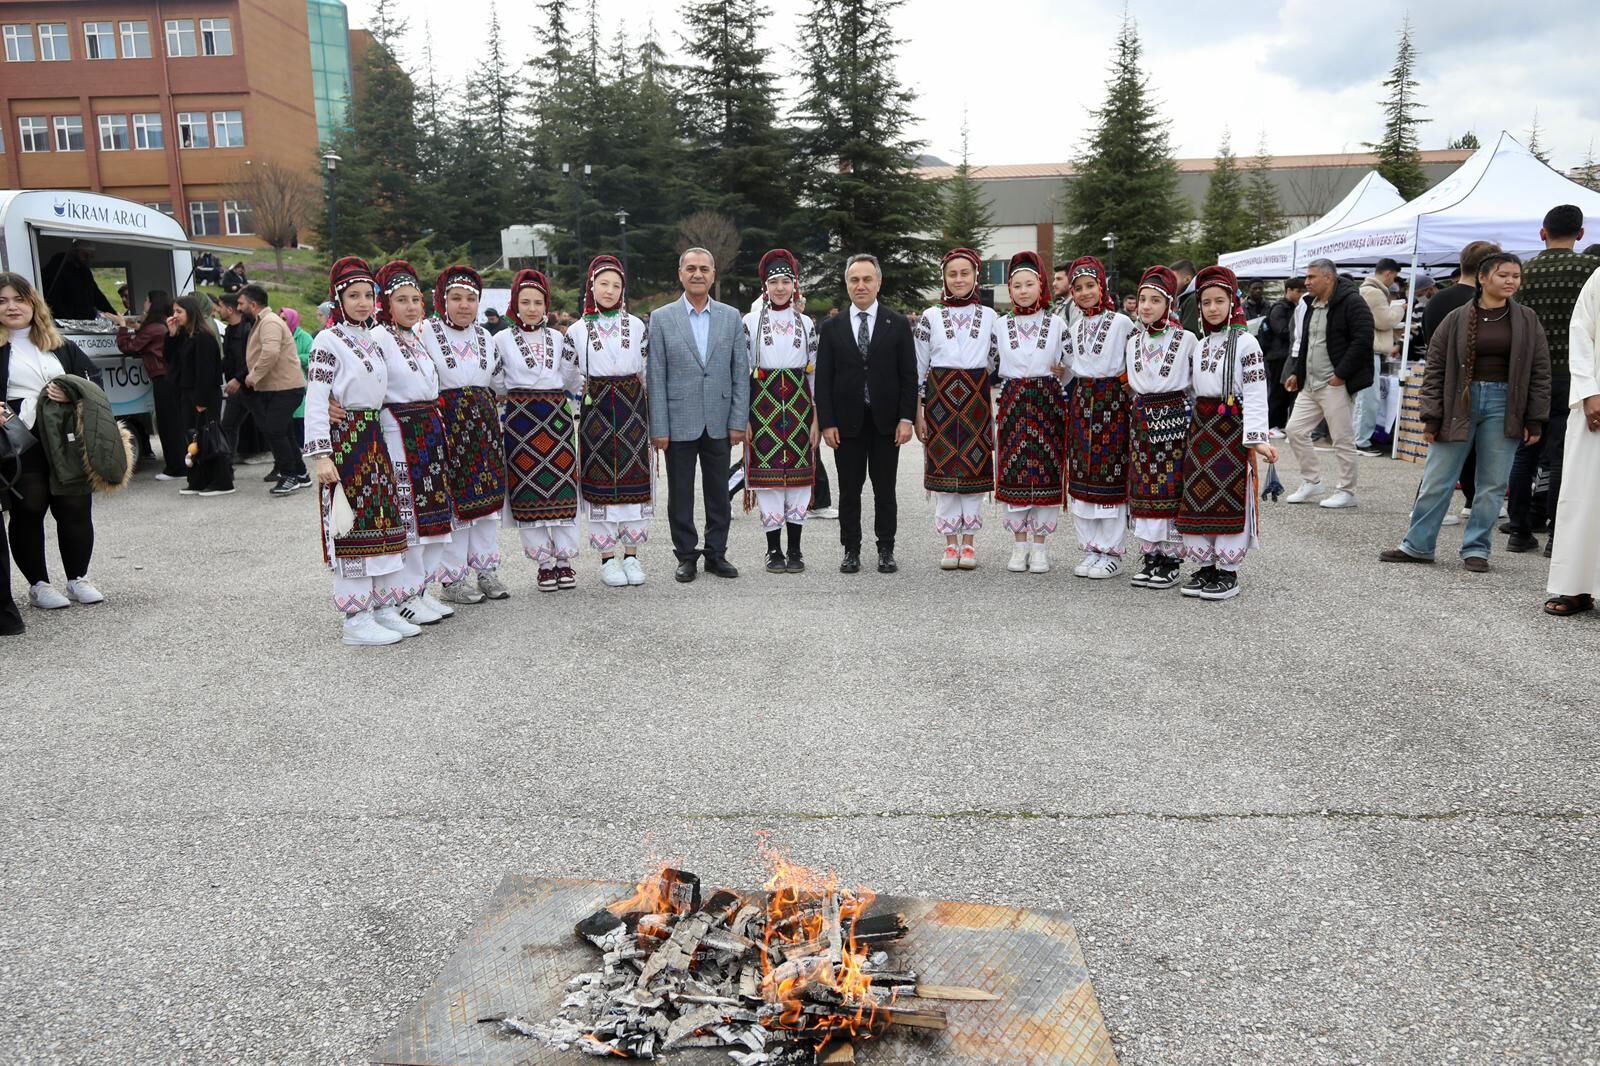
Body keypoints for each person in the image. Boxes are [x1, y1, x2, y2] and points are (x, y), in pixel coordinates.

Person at [1379, 252, 1551, 573]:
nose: (1511, 281)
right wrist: (1431, 415)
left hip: (1505, 403)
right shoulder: (1457, 318)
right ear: (1483, 278)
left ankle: (1477, 548)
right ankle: (1417, 544)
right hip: (1460, 401)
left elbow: (1540, 372)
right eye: (1503, 275)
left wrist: (1534, 418)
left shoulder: (1527, 319)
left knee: (1493, 483)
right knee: (1438, 478)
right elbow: (1435, 370)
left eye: (1516, 275)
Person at [302, 257, 415, 646]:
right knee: (350, 523)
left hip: (372, 433)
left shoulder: (377, 337)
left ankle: (383, 605)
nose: (363, 302)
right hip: (345, 438)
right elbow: (317, 397)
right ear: (338, 299)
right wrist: (320, 454)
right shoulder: (326, 341)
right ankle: (356, 617)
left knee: (383, 519)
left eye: (369, 295)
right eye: (354, 295)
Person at [1, 271, 110, 610]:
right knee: (29, 508)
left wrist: (71, 390)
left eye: (19, 299)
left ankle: (78, 578)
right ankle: (39, 585)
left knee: (75, 505)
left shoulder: (59, 344)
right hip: (20, 439)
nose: (12, 306)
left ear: (33, 303)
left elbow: (94, 380)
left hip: (65, 437)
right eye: (2, 301)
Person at [646, 247, 750, 584]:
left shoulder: (731, 317)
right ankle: (686, 555)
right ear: (680, 274)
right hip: (678, 422)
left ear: (713, 274)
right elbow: (656, 376)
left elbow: (740, 373)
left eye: (704, 268)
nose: (697, 274)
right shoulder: (661, 318)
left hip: (719, 420)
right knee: (681, 493)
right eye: (690, 268)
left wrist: (737, 420)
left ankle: (716, 553)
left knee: (718, 492)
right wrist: (659, 427)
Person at [1177, 266, 1277, 600]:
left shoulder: (1247, 343)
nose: (1213, 308)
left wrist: (1257, 438)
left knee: (1228, 494)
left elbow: (1255, 391)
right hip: (1201, 428)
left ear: (1233, 302)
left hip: (1230, 429)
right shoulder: (1201, 344)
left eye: (1220, 300)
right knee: (1198, 494)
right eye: (1206, 302)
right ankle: (1204, 565)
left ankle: (1228, 571)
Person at [814, 253, 916, 575]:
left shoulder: (897, 324)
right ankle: (851, 549)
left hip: (887, 424)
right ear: (847, 285)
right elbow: (824, 380)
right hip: (847, 425)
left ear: (878, 282)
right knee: (849, 490)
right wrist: (828, 421)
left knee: (885, 489)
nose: (861, 285)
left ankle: (886, 548)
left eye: (867, 279)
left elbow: (908, 376)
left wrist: (906, 418)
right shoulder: (832, 328)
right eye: (854, 280)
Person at [1504, 205, 1597, 557]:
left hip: (1531, 373)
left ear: (1542, 233)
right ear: (1582, 234)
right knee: (1565, 456)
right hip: (1576, 375)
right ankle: (1558, 535)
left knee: (1525, 450)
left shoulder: (1523, 273)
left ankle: (1519, 529)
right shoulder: (1592, 270)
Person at [372, 259, 457, 625]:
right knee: (411, 519)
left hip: (428, 428)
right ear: (387, 305)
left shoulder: (416, 338)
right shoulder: (379, 338)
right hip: (398, 430)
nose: (410, 307)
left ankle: (420, 589)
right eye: (402, 300)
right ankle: (402, 594)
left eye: (415, 300)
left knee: (434, 516)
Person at [419, 264, 510, 603]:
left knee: (486, 504)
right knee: (455, 504)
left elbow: (499, 382)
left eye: (471, 298)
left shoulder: (485, 336)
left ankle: (487, 571)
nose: (464, 305)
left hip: (483, 425)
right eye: (456, 298)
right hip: (447, 423)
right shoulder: (424, 331)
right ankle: (453, 579)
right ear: (442, 300)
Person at [566, 255, 654, 587]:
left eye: (616, 285)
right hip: (597, 407)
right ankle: (607, 559)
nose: (609, 290)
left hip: (632, 407)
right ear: (591, 286)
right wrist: (584, 394)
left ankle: (631, 555)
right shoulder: (576, 330)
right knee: (600, 479)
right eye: (603, 283)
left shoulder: (637, 325)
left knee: (635, 478)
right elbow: (568, 375)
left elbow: (645, 371)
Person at [494, 268, 583, 590]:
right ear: (515, 304)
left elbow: (571, 375)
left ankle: (564, 560)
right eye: (525, 302)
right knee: (527, 491)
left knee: (561, 488)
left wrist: (563, 398)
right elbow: (496, 379)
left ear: (547, 306)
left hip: (557, 421)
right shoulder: (500, 339)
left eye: (538, 302)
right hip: (521, 422)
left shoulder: (559, 338)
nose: (532, 308)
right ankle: (544, 563)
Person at [914, 248, 998, 570]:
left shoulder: (990, 317)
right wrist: (919, 410)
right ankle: (950, 544)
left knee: (975, 469)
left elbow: (995, 361)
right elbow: (919, 367)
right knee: (944, 470)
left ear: (976, 276)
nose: (959, 279)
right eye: (953, 274)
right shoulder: (930, 316)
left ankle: (970, 543)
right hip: (940, 401)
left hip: (975, 398)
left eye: (965, 273)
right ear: (944, 278)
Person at [991, 251, 1069, 574]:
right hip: (1013, 399)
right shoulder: (1001, 324)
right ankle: (1019, 542)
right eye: (1017, 285)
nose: (1023, 291)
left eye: (1029, 284)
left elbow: (1070, 363)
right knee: (1015, 467)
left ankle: (1040, 546)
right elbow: (992, 365)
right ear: (1010, 290)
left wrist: (1060, 373)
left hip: (1047, 399)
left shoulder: (1056, 323)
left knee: (1046, 468)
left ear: (1041, 286)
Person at [742, 250, 818, 574]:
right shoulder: (749, 322)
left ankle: (796, 549)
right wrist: (743, 417)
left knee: (799, 479)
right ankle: (773, 550)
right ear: (765, 285)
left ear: (795, 285)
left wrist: (817, 417)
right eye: (774, 282)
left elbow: (815, 372)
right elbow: (742, 370)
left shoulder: (807, 323)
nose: (781, 287)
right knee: (770, 481)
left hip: (799, 405)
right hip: (763, 404)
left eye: (786, 281)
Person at [1063, 255, 1137, 579]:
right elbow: (1069, 365)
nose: (1084, 292)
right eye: (1077, 288)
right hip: (1083, 402)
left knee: (1110, 475)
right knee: (1083, 475)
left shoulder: (1122, 322)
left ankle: (1112, 551)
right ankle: (1091, 547)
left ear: (1102, 285)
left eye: (1090, 285)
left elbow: (1134, 364)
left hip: (1112, 401)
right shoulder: (1075, 325)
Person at [1125, 265, 1198, 590]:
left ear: (1169, 303)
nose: (1146, 306)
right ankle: (1151, 555)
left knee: (1170, 486)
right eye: (1143, 299)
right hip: (1142, 416)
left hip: (1174, 415)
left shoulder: (1186, 339)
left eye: (1155, 300)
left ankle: (1171, 558)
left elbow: (1196, 382)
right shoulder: (1133, 340)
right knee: (1144, 486)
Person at [1282, 258, 1374, 509]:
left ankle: (1347, 491)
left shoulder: (1352, 302)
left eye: (1311, 277)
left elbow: (1363, 339)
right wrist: (1297, 373)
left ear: (1328, 277)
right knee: (1294, 431)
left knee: (1342, 438)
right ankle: (1312, 481)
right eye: (1306, 277)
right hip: (1310, 384)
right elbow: (1306, 342)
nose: (1306, 282)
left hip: (1334, 384)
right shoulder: (1310, 304)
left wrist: (1341, 374)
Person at [1419, 243, 1500, 524]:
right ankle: (1470, 500)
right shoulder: (1482, 304)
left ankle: (1434, 506)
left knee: (1442, 453)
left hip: (1441, 382)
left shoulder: (1437, 300)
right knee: (1476, 450)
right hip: (1472, 385)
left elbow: (1430, 345)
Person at [1544, 264, 1600, 616]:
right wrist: (1590, 392)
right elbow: (1580, 331)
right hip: (1597, 402)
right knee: (1584, 496)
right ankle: (1575, 587)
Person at [238, 284, 308, 495]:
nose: (238, 307)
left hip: (286, 388)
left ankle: (289, 476)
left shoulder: (269, 322)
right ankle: (301, 473)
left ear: (253, 304)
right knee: (284, 431)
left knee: (274, 430)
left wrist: (253, 377)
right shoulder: (263, 321)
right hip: (280, 387)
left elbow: (270, 352)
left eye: (241, 304)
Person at [166, 293, 233, 496]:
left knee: (209, 436)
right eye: (173, 311)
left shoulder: (204, 337)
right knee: (193, 438)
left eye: (179, 311)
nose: (175, 315)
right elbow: (171, 361)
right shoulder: (186, 336)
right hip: (187, 393)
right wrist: (171, 335)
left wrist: (201, 400)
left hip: (203, 395)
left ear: (191, 312)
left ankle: (221, 481)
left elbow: (206, 371)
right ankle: (198, 480)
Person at [116, 290, 185, 481]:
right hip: (170, 378)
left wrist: (122, 327)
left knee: (168, 423)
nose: (144, 303)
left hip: (163, 378)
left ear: (153, 303)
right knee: (174, 423)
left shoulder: (154, 327)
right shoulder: (162, 324)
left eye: (147, 300)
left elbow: (129, 347)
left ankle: (176, 467)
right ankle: (179, 464)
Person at [1354, 258, 1407, 455]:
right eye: (1393, 276)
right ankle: (1361, 440)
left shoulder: (1366, 290)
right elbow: (1384, 321)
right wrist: (1399, 309)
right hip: (1370, 351)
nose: (1393, 280)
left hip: (1367, 350)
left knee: (1365, 397)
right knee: (1369, 398)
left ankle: (1358, 438)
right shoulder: (1374, 293)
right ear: (1388, 273)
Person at [1263, 277, 1305, 434]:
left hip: (1285, 355)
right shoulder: (1279, 308)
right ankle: (1271, 425)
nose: (1302, 294)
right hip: (1277, 356)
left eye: (1303, 291)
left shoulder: (1296, 307)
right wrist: (1297, 333)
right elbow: (1280, 330)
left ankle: (1279, 424)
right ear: (1288, 290)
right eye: (1298, 291)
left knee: (1285, 392)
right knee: (1276, 391)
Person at [40, 241, 115, 320]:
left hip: (85, 321)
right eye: (85, 255)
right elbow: (54, 299)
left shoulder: (85, 272)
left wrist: (114, 314)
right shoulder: (56, 269)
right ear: (74, 252)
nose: (88, 259)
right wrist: (68, 320)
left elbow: (97, 296)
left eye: (91, 256)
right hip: (65, 322)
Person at [284, 307, 314, 462]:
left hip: (299, 381)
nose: (282, 322)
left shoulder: (304, 337)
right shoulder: (280, 336)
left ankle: (303, 445)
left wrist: (294, 357)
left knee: (300, 416)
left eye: (285, 319)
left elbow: (312, 356)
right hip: (283, 382)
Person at [1171, 259, 1199, 334]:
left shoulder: (1193, 299)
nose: (1169, 284)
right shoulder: (1184, 298)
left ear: (1187, 280)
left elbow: (1188, 335)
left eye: (1173, 280)